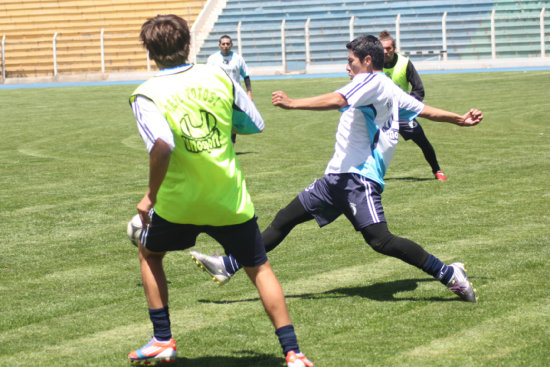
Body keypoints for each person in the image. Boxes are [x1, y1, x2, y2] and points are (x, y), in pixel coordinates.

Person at [190, 34, 482, 304]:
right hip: (335, 180)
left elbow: (338, 99)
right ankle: (229, 265)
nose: (347, 67)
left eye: (351, 61)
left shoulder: (372, 82)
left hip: (358, 179)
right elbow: (425, 110)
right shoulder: (388, 88)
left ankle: (448, 274)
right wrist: (459, 119)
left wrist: (293, 104)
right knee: (283, 220)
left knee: (380, 240)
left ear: (367, 61)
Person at [127, 14, 313, 367]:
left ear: (150, 52)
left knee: (149, 254)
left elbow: (162, 146)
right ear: (189, 44)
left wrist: (150, 195)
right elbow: (254, 123)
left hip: (178, 203)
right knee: (258, 268)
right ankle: (293, 353)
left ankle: (162, 340)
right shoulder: (218, 76)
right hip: (228, 197)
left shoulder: (146, 94)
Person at [379, 30, 447, 181]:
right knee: (371, 144)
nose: (385, 52)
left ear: (394, 48)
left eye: (388, 48)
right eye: (382, 49)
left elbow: (418, 89)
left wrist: (408, 105)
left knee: (423, 142)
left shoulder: (404, 63)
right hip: (382, 115)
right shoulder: (373, 65)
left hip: (402, 114)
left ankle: (437, 171)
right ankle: (368, 175)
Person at [207, 35, 253, 144]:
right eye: (223, 44)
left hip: (235, 94)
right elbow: (208, 76)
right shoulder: (212, 59)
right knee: (220, 117)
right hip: (219, 93)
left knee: (233, 118)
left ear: (231, 45)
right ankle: (222, 139)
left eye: (228, 44)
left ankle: (232, 140)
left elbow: (246, 76)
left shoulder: (238, 59)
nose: (225, 46)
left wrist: (249, 93)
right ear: (219, 45)